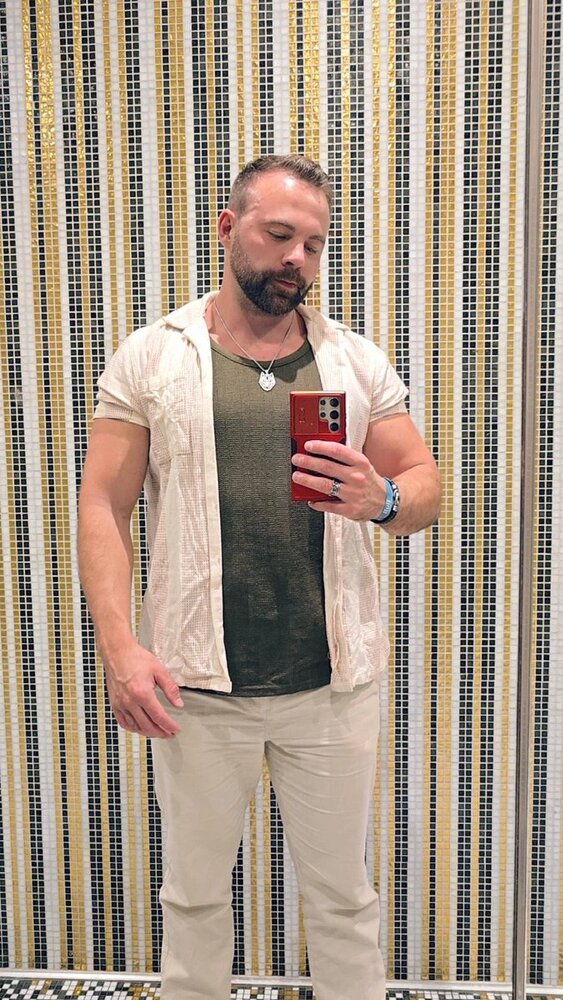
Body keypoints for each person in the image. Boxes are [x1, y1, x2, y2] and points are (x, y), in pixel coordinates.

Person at [78, 154, 441, 1000]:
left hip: (332, 685)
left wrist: (383, 498)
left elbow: (422, 484)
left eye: (313, 245)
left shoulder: (352, 361)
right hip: (195, 686)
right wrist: (121, 650)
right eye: (279, 235)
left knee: (343, 899)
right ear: (227, 227)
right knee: (194, 899)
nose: (295, 260)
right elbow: (102, 504)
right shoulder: (153, 356)